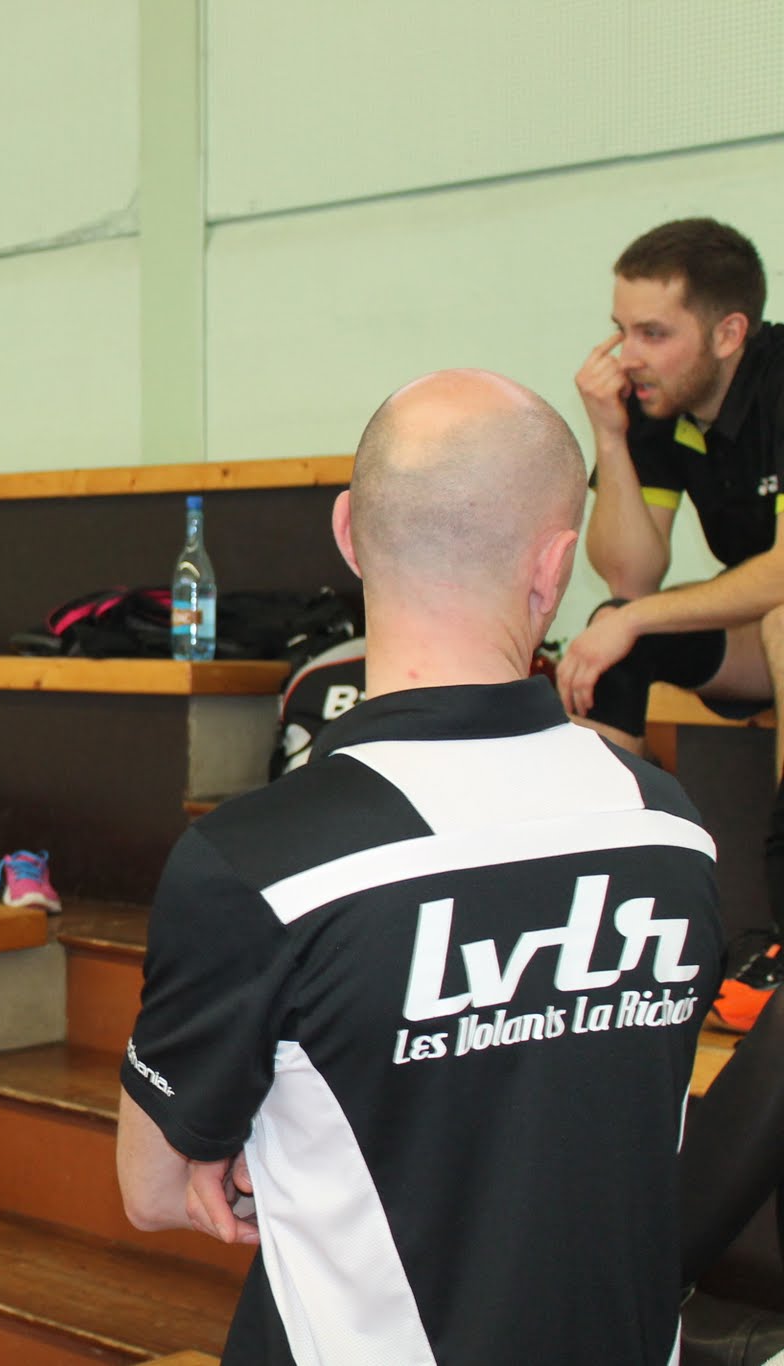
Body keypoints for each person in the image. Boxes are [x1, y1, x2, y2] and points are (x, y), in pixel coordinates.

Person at [117, 370, 724, 1364]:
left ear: (349, 533)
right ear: (554, 566)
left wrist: (265, 1145)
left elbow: (151, 1187)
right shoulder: (669, 825)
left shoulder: (262, 859)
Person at [556, 218, 784, 917]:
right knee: (619, 634)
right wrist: (610, 435)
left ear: (728, 334)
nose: (627, 357)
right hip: (766, 624)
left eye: (653, 334)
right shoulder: (659, 403)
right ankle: (588, 896)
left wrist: (636, 618)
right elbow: (630, 578)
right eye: (621, 331)